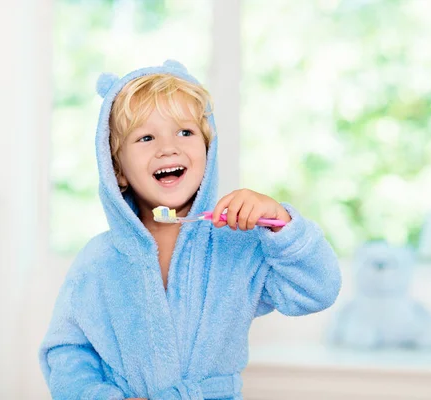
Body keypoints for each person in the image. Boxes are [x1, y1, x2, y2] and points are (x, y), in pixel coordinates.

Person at [39, 60, 342, 400]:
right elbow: (66, 350)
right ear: (118, 172)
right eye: (145, 137)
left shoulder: (237, 245)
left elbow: (318, 289)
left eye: (185, 132)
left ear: (208, 153)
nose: (167, 147)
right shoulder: (99, 260)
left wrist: (283, 227)